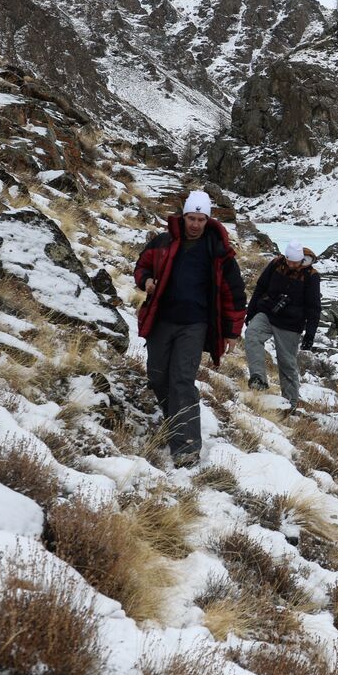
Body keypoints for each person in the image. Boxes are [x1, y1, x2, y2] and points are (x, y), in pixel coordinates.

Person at [133, 190, 246, 468]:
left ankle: (186, 447)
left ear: (208, 220)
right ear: (183, 216)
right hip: (162, 320)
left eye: (201, 219)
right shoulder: (163, 242)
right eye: (191, 218)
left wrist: (232, 332)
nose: (195, 224)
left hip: (195, 325)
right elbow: (141, 266)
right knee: (158, 376)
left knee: (182, 380)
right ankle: (173, 422)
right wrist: (146, 280)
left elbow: (235, 293)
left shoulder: (219, 252)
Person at [244, 240, 321, 406]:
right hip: (267, 312)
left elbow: (314, 307)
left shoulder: (311, 276)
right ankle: (259, 379)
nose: (291, 264)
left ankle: (290, 404)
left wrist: (310, 334)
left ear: (301, 259)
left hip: (291, 323)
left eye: (295, 262)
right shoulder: (276, 264)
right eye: (289, 260)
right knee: (251, 335)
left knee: (287, 363)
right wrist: (250, 313)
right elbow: (260, 287)